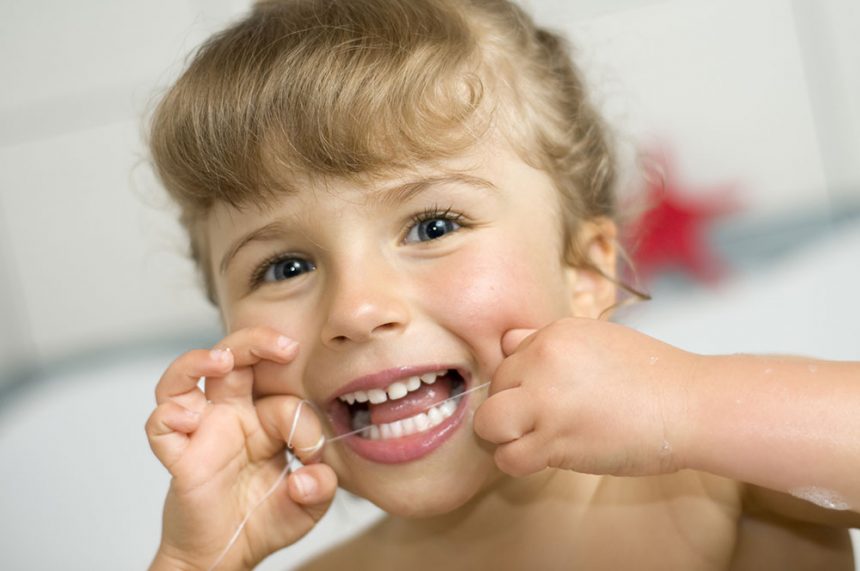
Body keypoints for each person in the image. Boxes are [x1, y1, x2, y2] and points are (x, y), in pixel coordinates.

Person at [144, 0, 860, 569]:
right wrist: (193, 560)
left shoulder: (732, 484)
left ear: (587, 273)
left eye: (432, 226)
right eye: (285, 267)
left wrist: (688, 406)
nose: (357, 309)